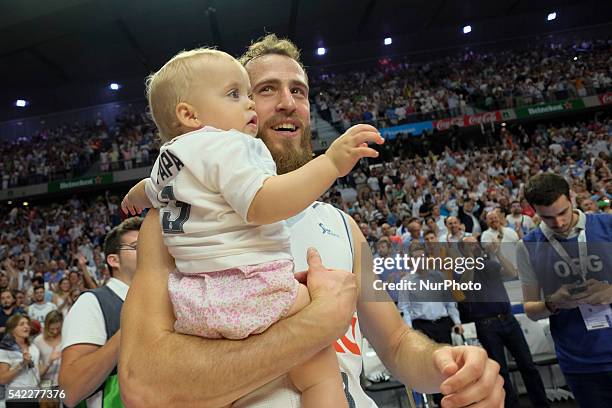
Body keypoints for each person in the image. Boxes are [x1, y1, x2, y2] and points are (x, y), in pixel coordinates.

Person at [119, 34, 504, 408]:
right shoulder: (173, 224)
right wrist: (314, 323)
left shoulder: (341, 225)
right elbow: (144, 389)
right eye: (264, 90)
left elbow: (397, 344)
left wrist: (446, 365)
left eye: (299, 91)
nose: (288, 102)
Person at [120, 47, 383, 407]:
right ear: (190, 113)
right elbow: (262, 203)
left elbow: (151, 190)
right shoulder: (231, 147)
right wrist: (331, 163)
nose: (249, 105)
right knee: (321, 363)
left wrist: (135, 196)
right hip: (250, 285)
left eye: (299, 91)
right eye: (246, 93)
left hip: (198, 300)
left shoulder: (175, 162)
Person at [518, 173, 612, 408]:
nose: (558, 223)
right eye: (547, 217)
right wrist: (552, 302)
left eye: (562, 213)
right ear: (534, 212)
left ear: (572, 198)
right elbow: (531, 309)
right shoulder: (528, 246)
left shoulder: (607, 225)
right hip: (580, 363)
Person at [457, 237, 549, 408]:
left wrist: (497, 252)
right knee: (501, 372)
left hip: (508, 319)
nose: (474, 246)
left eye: (475, 243)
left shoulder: (488, 262)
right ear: (462, 249)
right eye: (469, 244)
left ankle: (542, 404)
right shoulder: (459, 267)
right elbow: (464, 287)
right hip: (487, 325)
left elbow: (511, 272)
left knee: (528, 365)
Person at [59, 217, 142, 408]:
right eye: (137, 246)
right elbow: (70, 391)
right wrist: (131, 327)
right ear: (114, 260)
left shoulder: (164, 302)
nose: (149, 250)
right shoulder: (92, 302)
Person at [397, 244, 463, 407]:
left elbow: (449, 303)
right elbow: (404, 309)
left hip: (443, 325)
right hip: (423, 328)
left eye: (422, 257)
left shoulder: (439, 277)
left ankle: (456, 401)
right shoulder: (406, 281)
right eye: (416, 258)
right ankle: (440, 402)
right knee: (433, 368)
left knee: (450, 366)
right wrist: (410, 332)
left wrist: (457, 322)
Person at [0, 314, 42, 408]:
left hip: (34, 397)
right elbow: (2, 379)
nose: (26, 326)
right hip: (16, 399)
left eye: (27, 323)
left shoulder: (34, 348)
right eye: (22, 324)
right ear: (12, 329)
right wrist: (22, 365)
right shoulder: (6, 349)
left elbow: (37, 373)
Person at [33, 312, 62, 408]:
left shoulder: (66, 338)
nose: (55, 332)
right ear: (46, 326)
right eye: (52, 329)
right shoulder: (38, 341)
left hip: (63, 383)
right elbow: (37, 373)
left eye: (58, 328)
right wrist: (49, 361)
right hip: (45, 386)